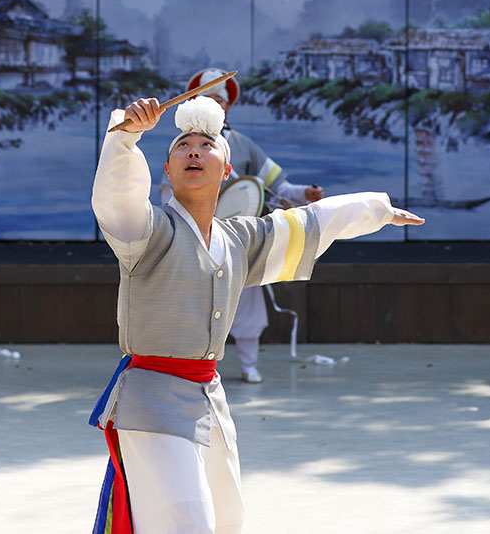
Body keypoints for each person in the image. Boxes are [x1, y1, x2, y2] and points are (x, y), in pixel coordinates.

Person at [89, 94, 423, 533]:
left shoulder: (239, 240)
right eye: (182, 145)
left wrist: (375, 210)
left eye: (206, 145)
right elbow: (117, 197)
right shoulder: (146, 231)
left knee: (228, 519)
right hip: (151, 403)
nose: (193, 150)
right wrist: (127, 137)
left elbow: (307, 223)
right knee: (185, 523)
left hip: (208, 398)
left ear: (227, 173)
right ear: (166, 171)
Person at [160, 68, 323, 384]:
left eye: (220, 100)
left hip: (235, 235)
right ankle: (185, 367)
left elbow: (278, 187)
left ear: (228, 107)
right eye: (208, 99)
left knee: (246, 300)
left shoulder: (243, 145)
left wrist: (305, 194)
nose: (215, 105)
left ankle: (249, 364)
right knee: (189, 302)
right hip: (191, 236)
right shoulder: (181, 146)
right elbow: (168, 191)